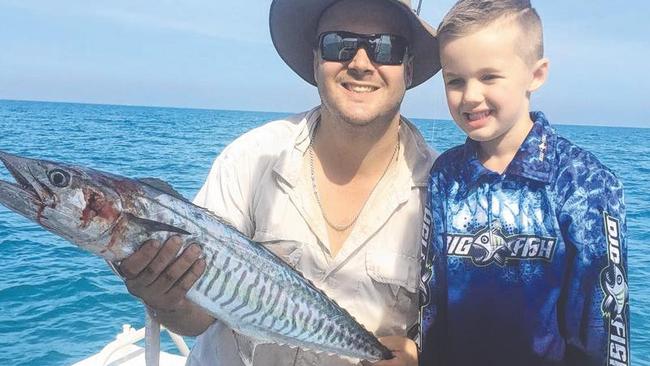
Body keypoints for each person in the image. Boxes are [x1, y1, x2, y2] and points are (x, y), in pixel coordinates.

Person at [118, 0, 442, 365]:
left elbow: (459, 326)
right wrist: (166, 296)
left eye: (386, 48)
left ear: (409, 69)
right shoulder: (251, 158)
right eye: (340, 45)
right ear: (316, 60)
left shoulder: (444, 192)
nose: (361, 63)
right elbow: (194, 317)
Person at [418, 0, 629, 365]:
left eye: (489, 76)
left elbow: (604, 326)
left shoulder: (585, 183)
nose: (469, 95)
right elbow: (430, 301)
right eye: (455, 80)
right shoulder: (445, 176)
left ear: (536, 74)